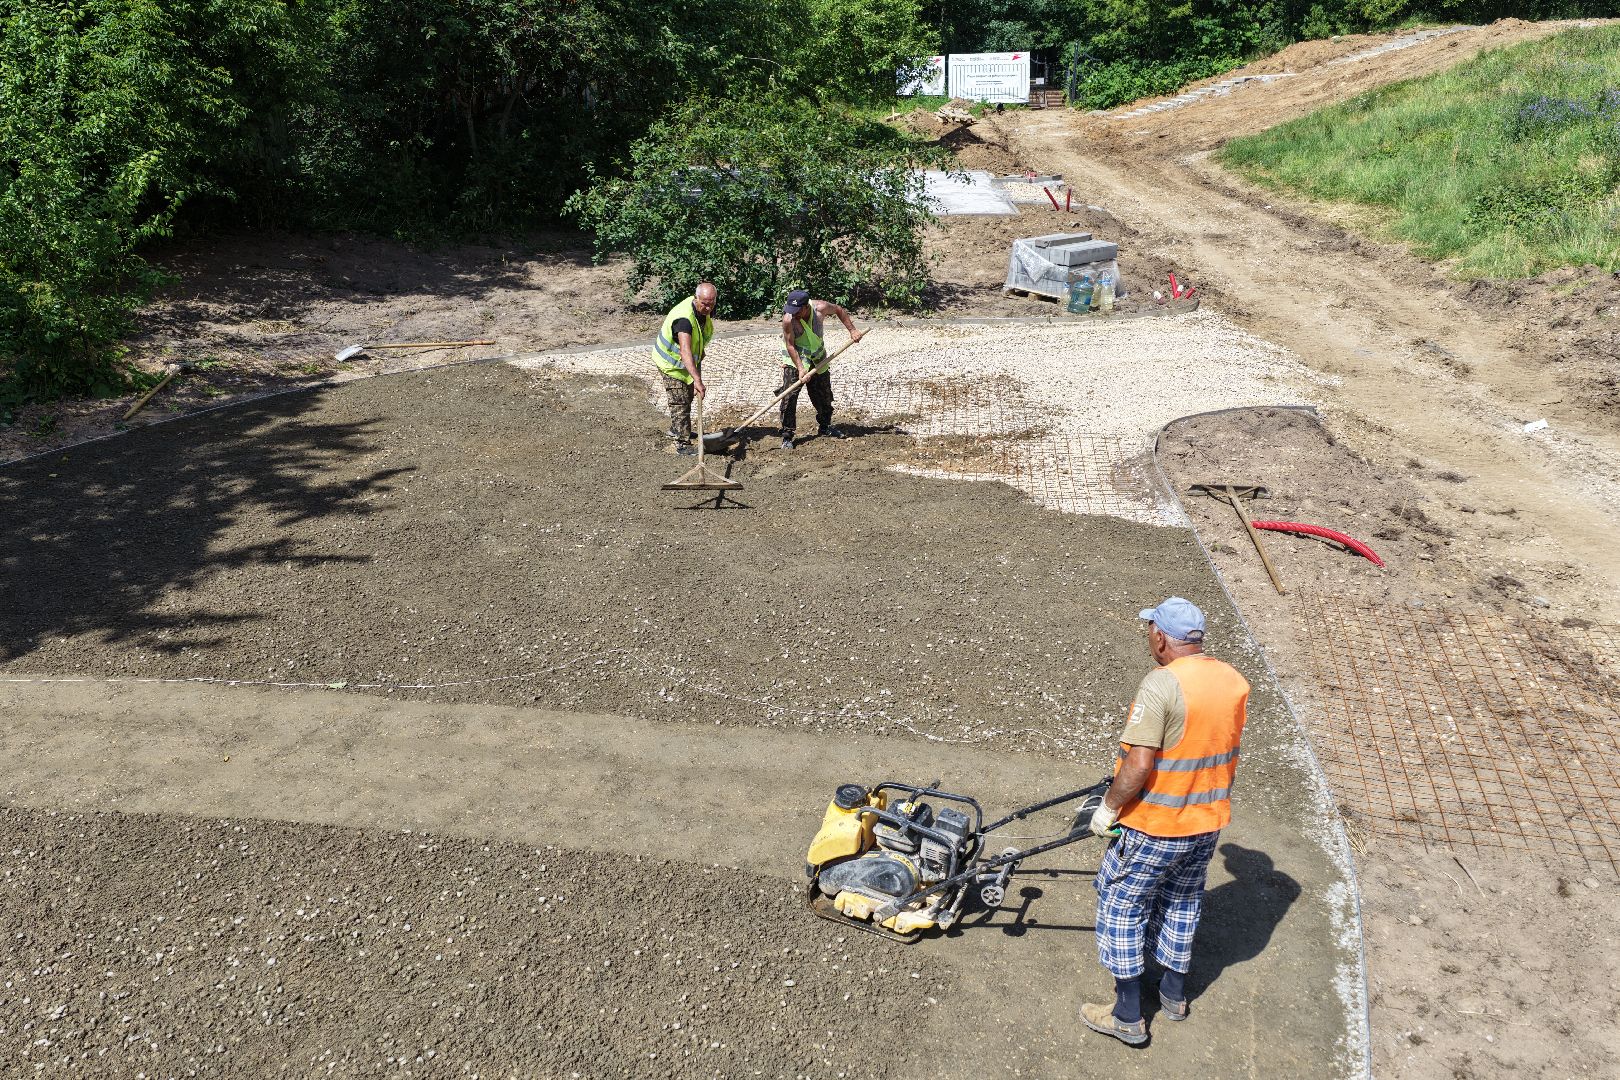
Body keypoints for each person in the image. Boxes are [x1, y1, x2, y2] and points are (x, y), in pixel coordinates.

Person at [1082, 597, 1250, 1047]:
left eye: (1149, 630)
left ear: (1160, 636)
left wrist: (1109, 808)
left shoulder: (1162, 684)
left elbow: (1138, 765)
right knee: (1181, 901)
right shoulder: (1232, 680)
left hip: (1156, 823)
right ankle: (1174, 997)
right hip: (1206, 821)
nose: (1148, 638)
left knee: (1121, 905)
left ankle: (1127, 1015)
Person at [778, 289, 863, 451]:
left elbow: (838, 309)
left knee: (823, 394)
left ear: (805, 307)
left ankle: (825, 426)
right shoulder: (788, 319)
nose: (793, 315)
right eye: (790, 311)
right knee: (789, 395)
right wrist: (801, 369)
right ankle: (787, 435)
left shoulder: (820, 308)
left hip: (817, 355)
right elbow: (790, 345)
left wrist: (852, 330)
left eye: (796, 312)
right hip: (795, 356)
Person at [653, 283, 717, 455]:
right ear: (696, 298)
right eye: (704, 303)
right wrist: (697, 380)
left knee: (687, 396)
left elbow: (699, 334)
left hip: (685, 365)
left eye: (711, 302)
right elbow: (685, 351)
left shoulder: (704, 310)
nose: (708, 307)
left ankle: (678, 428)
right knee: (680, 401)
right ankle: (682, 443)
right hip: (671, 364)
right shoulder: (684, 320)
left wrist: (700, 349)